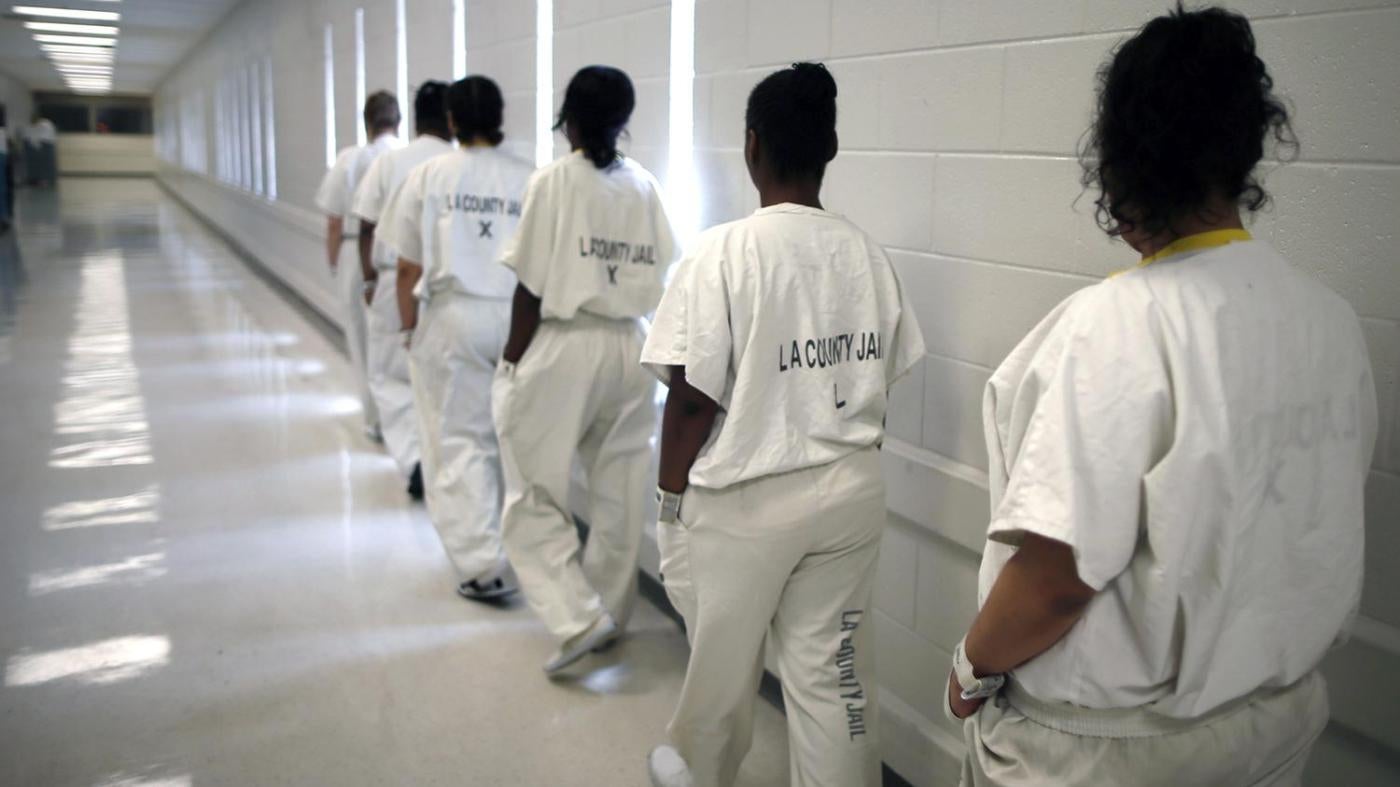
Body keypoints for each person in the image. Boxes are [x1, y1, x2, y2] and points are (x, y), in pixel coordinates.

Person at [947, 8, 1378, 786]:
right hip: (1270, 725)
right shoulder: (1332, 324)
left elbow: (1056, 579)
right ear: (1243, 148)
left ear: (1121, 161)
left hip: (1106, 751)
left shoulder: (1113, 325)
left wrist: (971, 665)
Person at [640, 62, 925, 787]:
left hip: (747, 501)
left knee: (721, 670)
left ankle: (698, 773)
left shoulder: (723, 252)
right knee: (834, 677)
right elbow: (880, 380)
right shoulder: (865, 253)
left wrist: (670, 499)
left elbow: (692, 397)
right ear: (829, 149)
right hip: (852, 490)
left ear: (751, 144)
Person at [492, 65, 678, 675]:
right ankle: (609, 614)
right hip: (632, 347)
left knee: (529, 489)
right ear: (623, 122)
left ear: (567, 116)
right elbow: (665, 274)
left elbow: (529, 284)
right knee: (619, 494)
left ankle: (576, 617)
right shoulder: (644, 185)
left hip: (565, 344)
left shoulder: (554, 181)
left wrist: (513, 361)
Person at [378, 75, 533, 601]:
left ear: (451, 121)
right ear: (500, 117)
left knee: (459, 439)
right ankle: (528, 552)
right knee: (509, 439)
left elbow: (405, 266)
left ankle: (482, 563)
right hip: (519, 318)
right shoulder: (529, 178)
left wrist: (408, 327)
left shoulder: (429, 176)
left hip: (454, 317)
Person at [353, 81, 455, 500]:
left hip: (397, 277)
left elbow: (365, 225)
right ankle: (440, 464)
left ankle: (414, 461)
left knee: (392, 375)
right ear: (452, 119)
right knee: (442, 384)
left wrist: (368, 278)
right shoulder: (458, 163)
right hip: (449, 287)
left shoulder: (391, 163)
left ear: (415, 120)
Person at [314, 90, 403, 443]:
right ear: (397, 122)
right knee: (398, 342)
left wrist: (335, 263)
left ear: (367, 124)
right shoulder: (409, 159)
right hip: (402, 257)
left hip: (357, 252)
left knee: (362, 339)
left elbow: (334, 220)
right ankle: (402, 418)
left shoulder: (351, 160)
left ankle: (375, 420)